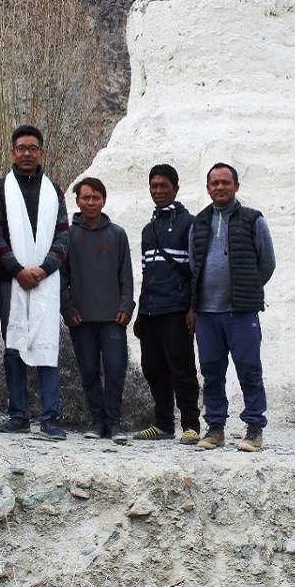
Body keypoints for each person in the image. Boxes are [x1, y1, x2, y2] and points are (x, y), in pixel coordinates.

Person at [0, 124, 70, 440]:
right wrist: (18, 269)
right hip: (11, 280)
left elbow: (63, 234)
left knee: (48, 345)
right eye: (21, 148)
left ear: (42, 153)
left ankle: (50, 418)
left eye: (33, 148)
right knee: (14, 345)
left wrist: (44, 269)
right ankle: (18, 415)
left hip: (45, 279)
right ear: (12, 152)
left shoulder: (55, 191)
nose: (26, 153)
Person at [187, 163, 276, 452]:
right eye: (215, 183)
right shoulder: (199, 223)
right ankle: (215, 428)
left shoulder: (253, 220)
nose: (220, 187)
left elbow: (267, 262)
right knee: (211, 372)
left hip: (241, 312)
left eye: (226, 182)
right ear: (208, 188)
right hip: (207, 313)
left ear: (236, 186)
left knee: (249, 370)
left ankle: (254, 428)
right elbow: (193, 264)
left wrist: (247, 289)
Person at [60, 177, 134, 443]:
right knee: (89, 370)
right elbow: (62, 277)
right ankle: (96, 421)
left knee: (115, 368)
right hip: (81, 319)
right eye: (86, 197)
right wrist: (67, 309)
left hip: (113, 318)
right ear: (77, 201)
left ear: (104, 200)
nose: (91, 202)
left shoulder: (117, 234)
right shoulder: (67, 235)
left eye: (96, 197)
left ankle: (114, 422)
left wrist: (126, 306)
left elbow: (126, 274)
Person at [133, 164, 201, 444]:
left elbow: (197, 270)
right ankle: (162, 424)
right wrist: (140, 311)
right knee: (152, 368)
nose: (158, 191)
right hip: (150, 310)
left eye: (163, 186)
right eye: (153, 186)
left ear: (175, 188)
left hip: (176, 309)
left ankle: (191, 425)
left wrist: (193, 307)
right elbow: (147, 273)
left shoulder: (190, 224)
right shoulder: (148, 230)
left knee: (181, 368)